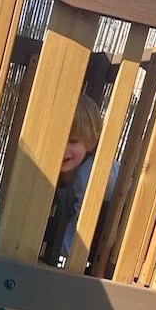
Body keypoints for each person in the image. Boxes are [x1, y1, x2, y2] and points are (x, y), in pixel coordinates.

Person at [45, 95, 120, 266]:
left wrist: (63, 253)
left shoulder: (88, 175)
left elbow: (82, 222)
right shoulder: (62, 172)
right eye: (59, 140)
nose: (64, 150)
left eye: (72, 141)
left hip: (129, 213)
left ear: (90, 143)